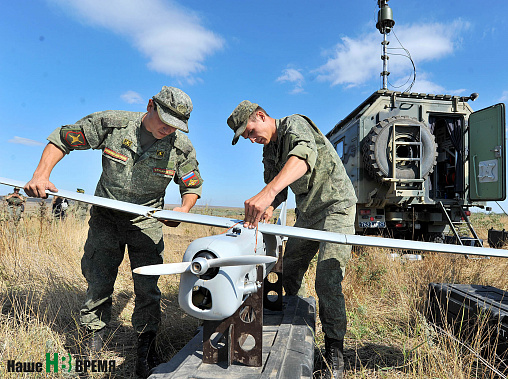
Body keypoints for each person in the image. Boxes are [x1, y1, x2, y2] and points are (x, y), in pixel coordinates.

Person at [24, 86, 203, 378]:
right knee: (98, 279)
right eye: (164, 120)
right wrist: (41, 174)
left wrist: (183, 209)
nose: (167, 129)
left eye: (176, 125)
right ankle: (91, 341)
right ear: (150, 106)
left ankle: (146, 347)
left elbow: (191, 185)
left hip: (146, 223)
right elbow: (61, 139)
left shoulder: (180, 146)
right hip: (106, 218)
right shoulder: (112, 124)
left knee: (147, 289)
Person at [227, 101, 356, 379]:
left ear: (261, 116)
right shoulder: (269, 150)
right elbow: (279, 190)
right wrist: (269, 208)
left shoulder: (294, 124)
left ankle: (335, 351)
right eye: (246, 137)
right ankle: (288, 326)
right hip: (309, 214)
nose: (251, 139)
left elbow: (302, 159)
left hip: (336, 207)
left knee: (327, 279)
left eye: (250, 131)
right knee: (288, 271)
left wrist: (267, 193)